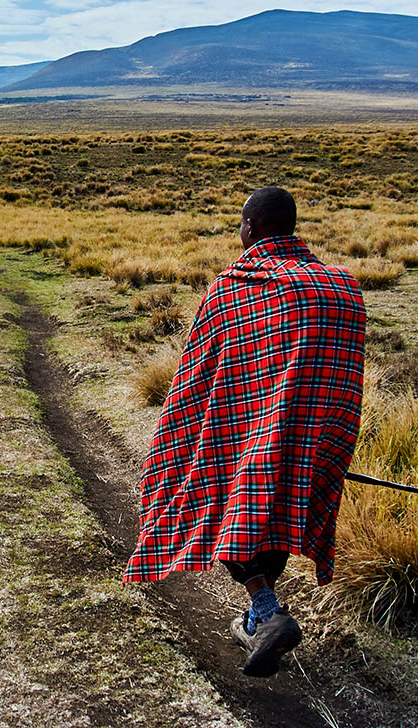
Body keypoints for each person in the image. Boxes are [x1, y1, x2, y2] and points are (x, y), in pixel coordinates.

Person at [123, 186, 366, 677]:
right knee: (269, 508)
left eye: (241, 226)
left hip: (250, 431)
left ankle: (267, 611)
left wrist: (178, 435)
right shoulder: (342, 285)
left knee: (228, 499)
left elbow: (198, 377)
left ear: (250, 228)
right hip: (318, 433)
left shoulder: (236, 288)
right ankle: (261, 618)